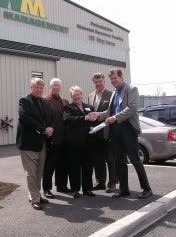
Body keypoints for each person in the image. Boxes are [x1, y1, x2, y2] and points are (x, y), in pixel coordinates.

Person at [90, 69, 152, 199]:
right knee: (119, 161)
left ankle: (146, 189)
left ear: (121, 77)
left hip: (128, 129)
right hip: (115, 131)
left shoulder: (131, 89)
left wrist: (115, 118)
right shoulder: (114, 94)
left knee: (135, 160)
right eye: (111, 79)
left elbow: (132, 108)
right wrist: (98, 115)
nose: (113, 81)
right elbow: (109, 112)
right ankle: (124, 189)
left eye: (115, 78)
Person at [16, 78, 54, 210]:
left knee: (39, 172)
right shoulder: (24, 101)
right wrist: (44, 129)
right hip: (28, 143)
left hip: (42, 143)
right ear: (30, 88)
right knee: (31, 173)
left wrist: (51, 128)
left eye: (41, 88)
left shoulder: (45, 102)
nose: (38, 90)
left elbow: (51, 118)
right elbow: (25, 118)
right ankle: (35, 198)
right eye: (36, 87)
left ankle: (36, 194)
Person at [63, 86, 96, 198]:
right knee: (74, 166)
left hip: (88, 142)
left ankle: (88, 189)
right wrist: (85, 118)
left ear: (82, 95)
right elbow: (67, 120)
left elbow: (94, 120)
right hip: (74, 143)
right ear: (71, 97)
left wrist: (93, 127)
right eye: (74, 95)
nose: (76, 97)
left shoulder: (89, 107)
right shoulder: (68, 108)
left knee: (88, 167)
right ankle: (75, 189)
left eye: (78, 94)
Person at [88, 73, 117, 193]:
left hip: (107, 131)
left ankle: (112, 183)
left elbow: (113, 112)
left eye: (100, 81)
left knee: (110, 158)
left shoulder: (111, 94)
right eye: (96, 82)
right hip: (94, 132)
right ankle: (100, 182)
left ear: (104, 81)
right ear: (93, 83)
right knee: (97, 159)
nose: (98, 84)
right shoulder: (90, 96)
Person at [42, 78, 70, 198]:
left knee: (63, 164)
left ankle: (61, 185)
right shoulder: (45, 100)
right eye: (54, 85)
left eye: (58, 85)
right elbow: (44, 119)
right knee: (49, 165)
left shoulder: (66, 101)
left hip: (65, 138)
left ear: (61, 87)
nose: (56, 87)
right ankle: (47, 188)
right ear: (50, 87)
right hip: (52, 138)